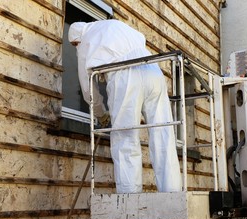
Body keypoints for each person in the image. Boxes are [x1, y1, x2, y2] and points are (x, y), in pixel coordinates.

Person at [68, 19, 181, 193]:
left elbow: (87, 88)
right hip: (152, 70)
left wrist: (101, 114)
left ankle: (129, 194)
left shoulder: (85, 40)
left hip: (125, 74)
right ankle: (172, 190)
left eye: (75, 44)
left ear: (77, 38)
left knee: (125, 136)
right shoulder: (110, 25)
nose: (76, 47)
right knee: (162, 132)